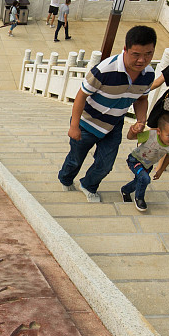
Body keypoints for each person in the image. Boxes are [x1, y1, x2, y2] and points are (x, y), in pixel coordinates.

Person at [58, 26, 157, 203]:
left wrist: (141, 120)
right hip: (87, 123)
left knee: (105, 164)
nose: (142, 60)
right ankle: (65, 178)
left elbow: (142, 98)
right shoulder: (104, 70)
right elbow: (81, 95)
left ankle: (88, 185)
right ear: (125, 49)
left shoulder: (148, 74)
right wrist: (74, 126)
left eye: (148, 54)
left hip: (113, 125)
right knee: (75, 159)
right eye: (136, 54)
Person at [120, 112, 169, 212]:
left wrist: (161, 170)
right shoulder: (150, 135)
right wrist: (132, 130)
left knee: (140, 180)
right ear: (159, 131)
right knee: (145, 179)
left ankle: (125, 190)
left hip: (148, 165)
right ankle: (139, 198)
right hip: (135, 160)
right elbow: (130, 137)